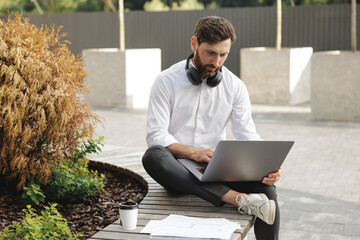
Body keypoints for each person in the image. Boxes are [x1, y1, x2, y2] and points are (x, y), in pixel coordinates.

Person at [142, 16, 281, 240]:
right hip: (179, 171)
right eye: (211, 53)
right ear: (194, 44)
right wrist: (193, 152)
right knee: (153, 156)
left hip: (219, 169)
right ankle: (236, 199)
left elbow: (247, 134)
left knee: (268, 191)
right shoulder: (165, 81)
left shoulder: (235, 86)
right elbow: (156, 135)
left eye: (223, 55)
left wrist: (267, 167)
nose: (217, 62)